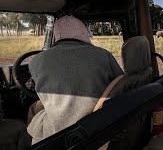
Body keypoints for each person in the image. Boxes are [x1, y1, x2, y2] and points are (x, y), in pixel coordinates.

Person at [27, 15, 124, 144]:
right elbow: (120, 84)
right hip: (97, 122)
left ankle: (32, 143)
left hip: (59, 130)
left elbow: (35, 87)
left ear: (56, 35)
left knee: (33, 108)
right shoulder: (104, 55)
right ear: (83, 33)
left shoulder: (36, 61)